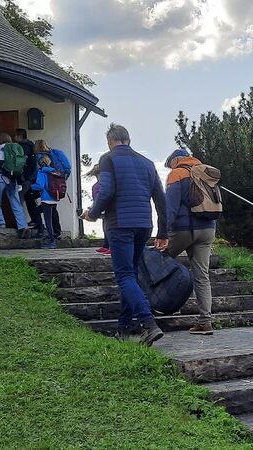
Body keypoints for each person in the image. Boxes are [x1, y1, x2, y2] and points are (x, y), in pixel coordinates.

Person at [82, 123, 169, 346]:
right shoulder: (147, 163)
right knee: (131, 275)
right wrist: (163, 232)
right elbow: (161, 199)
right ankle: (123, 328)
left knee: (124, 276)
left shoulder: (108, 159)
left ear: (110, 141)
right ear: (128, 140)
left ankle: (148, 324)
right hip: (144, 225)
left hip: (120, 224)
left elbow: (106, 191)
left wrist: (92, 213)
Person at [163, 148, 217, 335]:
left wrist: (163, 233)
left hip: (183, 229)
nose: (170, 168)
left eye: (170, 164)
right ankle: (205, 321)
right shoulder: (206, 172)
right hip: (208, 229)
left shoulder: (176, 174)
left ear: (176, 160)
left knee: (157, 260)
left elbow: (170, 207)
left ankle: (152, 305)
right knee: (202, 275)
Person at [0, 133, 29, 238]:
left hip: (1, 177)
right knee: (16, 202)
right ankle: (23, 225)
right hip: (13, 178)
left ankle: (0, 223)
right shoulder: (16, 150)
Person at [14, 128, 41, 233]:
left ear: (20, 136)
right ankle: (35, 221)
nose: (14, 138)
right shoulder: (30, 145)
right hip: (32, 178)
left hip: (26, 178)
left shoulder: (24, 147)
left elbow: (23, 163)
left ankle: (21, 224)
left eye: (15, 135)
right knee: (29, 199)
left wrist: (24, 177)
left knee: (19, 199)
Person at [32, 153, 61, 249]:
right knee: (37, 211)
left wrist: (31, 186)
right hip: (54, 198)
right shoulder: (54, 171)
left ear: (41, 163)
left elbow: (40, 186)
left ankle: (52, 241)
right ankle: (42, 232)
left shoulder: (41, 172)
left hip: (46, 199)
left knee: (48, 220)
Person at [35, 140, 63, 240]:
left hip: (46, 197)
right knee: (53, 213)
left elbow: (40, 185)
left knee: (43, 216)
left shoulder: (41, 170)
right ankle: (57, 232)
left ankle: (47, 236)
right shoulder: (53, 167)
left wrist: (31, 186)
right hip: (54, 195)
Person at [86, 163, 110, 255]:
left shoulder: (102, 185)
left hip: (107, 208)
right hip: (103, 208)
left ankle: (110, 246)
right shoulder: (99, 185)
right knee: (105, 227)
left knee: (108, 228)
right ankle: (106, 245)